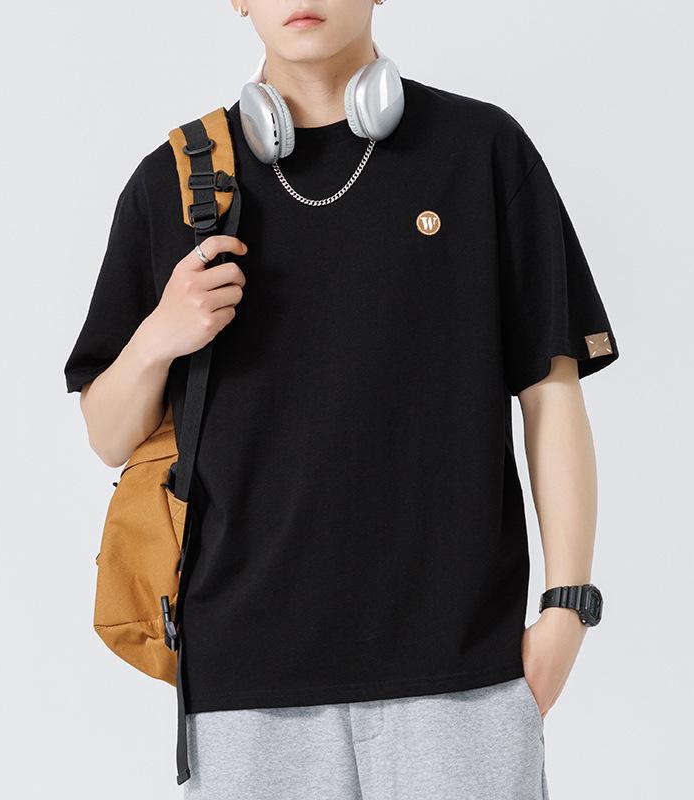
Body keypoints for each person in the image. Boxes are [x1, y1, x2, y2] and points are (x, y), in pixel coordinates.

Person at [64, 2, 619, 798]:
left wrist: (566, 608)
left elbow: (549, 388)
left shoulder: (480, 149)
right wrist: (158, 336)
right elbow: (108, 434)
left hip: (462, 669)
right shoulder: (175, 182)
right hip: (247, 684)